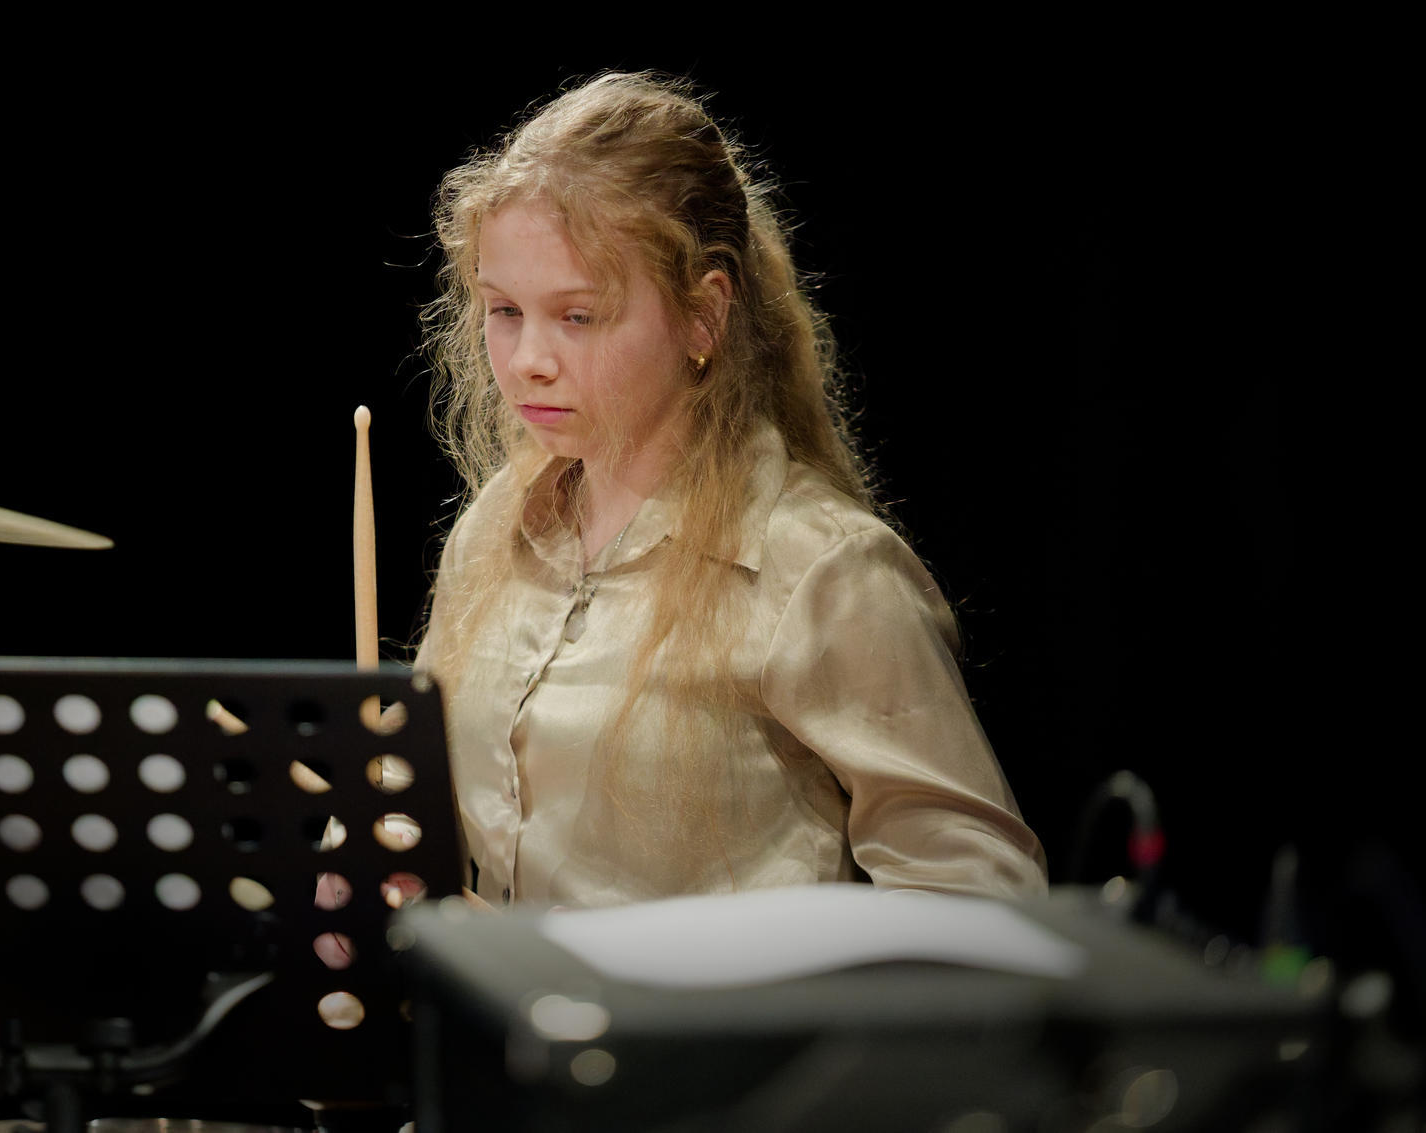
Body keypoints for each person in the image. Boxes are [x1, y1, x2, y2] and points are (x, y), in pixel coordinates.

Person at [416, 72, 1047, 908]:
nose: (528, 359)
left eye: (578, 315)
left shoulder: (821, 570)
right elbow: (414, 796)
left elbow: (979, 893)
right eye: (504, 311)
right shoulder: (495, 527)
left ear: (703, 316)